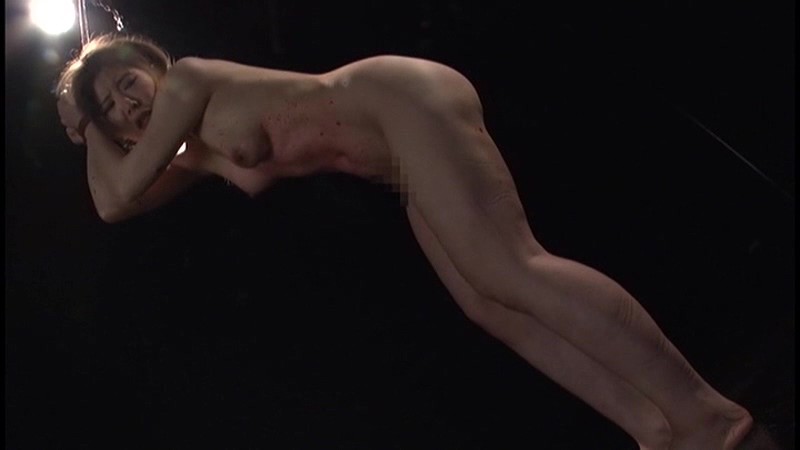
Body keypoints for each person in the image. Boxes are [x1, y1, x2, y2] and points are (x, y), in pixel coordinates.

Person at [56, 33, 766, 450]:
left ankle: (708, 416)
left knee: (510, 268)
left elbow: (117, 191)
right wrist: (91, 128)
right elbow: (112, 203)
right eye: (114, 109)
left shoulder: (189, 80)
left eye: (128, 83)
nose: (130, 104)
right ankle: (657, 429)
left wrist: (84, 121)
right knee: (490, 304)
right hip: (393, 155)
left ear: (153, 66)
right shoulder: (190, 155)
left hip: (393, 98)